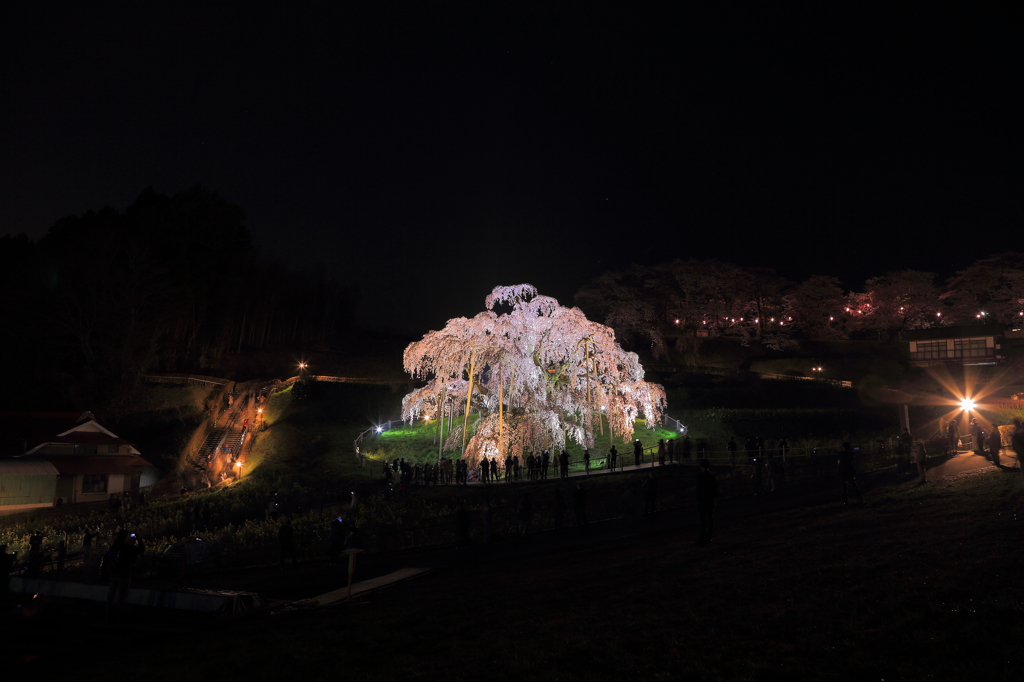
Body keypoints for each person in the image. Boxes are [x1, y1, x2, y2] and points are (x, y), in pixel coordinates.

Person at [105, 530, 145, 623]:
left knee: (111, 595)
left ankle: (108, 616)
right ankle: (120, 617)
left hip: (114, 573)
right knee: (122, 596)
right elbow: (141, 550)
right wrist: (139, 539)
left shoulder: (114, 546)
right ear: (125, 538)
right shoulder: (127, 547)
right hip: (124, 574)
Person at [696, 459, 718, 545]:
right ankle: (708, 538)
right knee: (709, 520)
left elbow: (698, 490)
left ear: (701, 467)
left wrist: (698, 499)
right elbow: (715, 490)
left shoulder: (699, 477)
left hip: (701, 501)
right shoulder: (712, 477)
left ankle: (700, 538)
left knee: (701, 520)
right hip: (710, 501)